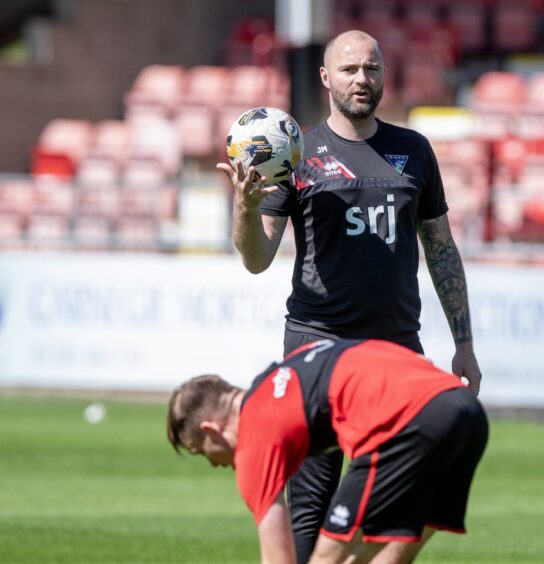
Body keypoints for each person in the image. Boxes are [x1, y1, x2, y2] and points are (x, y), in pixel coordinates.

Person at [216, 30, 483, 562]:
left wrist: (464, 343)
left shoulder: (414, 150)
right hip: (317, 349)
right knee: (311, 504)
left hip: (396, 352)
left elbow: (443, 253)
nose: (362, 79)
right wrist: (245, 207)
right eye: (349, 70)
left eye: (371, 69)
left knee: (395, 504)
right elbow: (256, 258)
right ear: (325, 78)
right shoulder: (295, 154)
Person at [167, 338, 488, 564]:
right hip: (465, 411)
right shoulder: (292, 367)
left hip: (409, 419)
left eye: (203, 452)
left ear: (213, 429)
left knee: (326, 559)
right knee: (388, 552)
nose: (214, 464)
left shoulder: (254, 435)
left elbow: (279, 559)